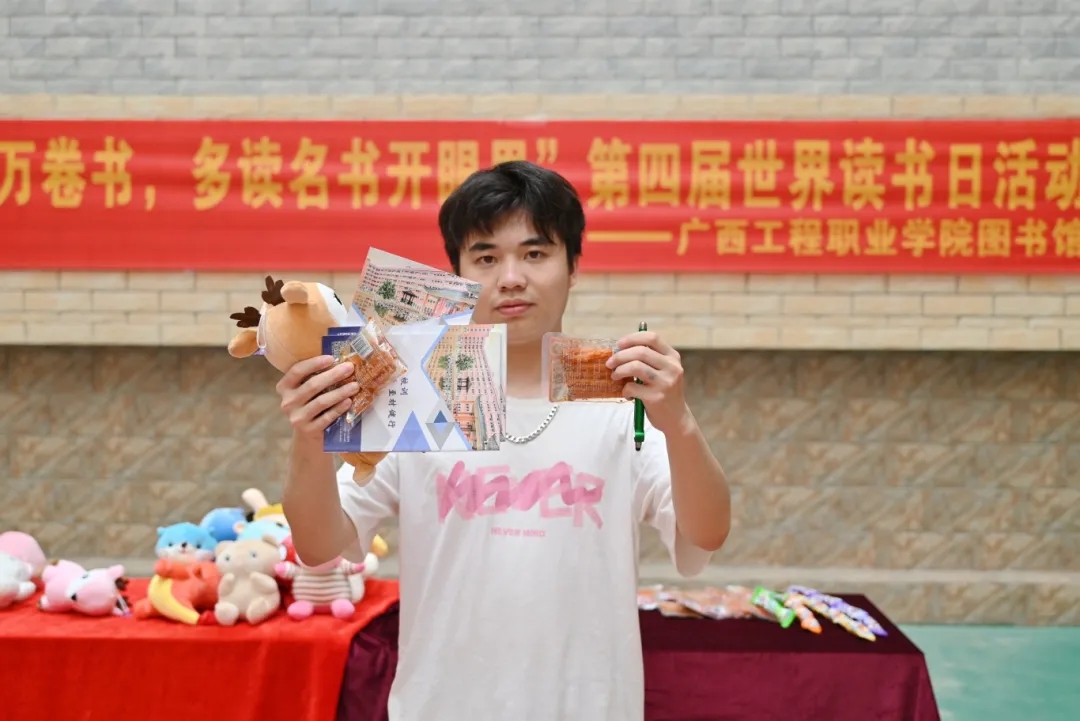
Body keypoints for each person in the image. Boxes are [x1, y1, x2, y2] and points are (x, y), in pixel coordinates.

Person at [277, 160, 731, 721]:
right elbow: (320, 546)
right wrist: (309, 437)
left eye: (535, 254)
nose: (511, 278)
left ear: (573, 266)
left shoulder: (620, 401)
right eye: (486, 258)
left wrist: (679, 423)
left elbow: (706, 533)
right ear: (459, 275)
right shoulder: (414, 395)